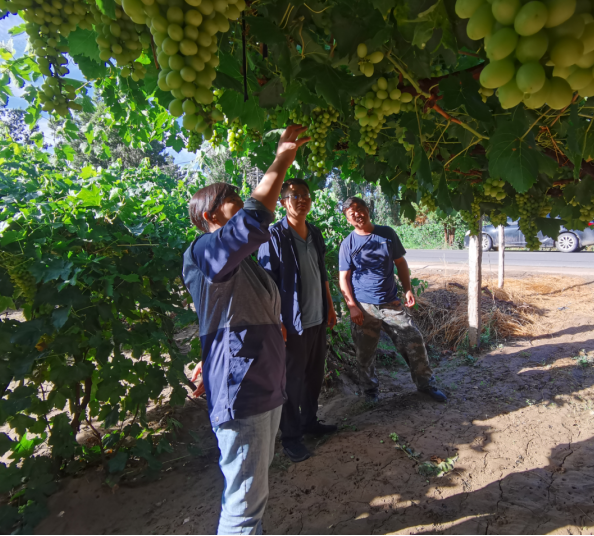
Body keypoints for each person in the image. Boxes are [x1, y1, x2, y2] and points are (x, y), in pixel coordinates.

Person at [182, 125, 310, 535]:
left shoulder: (241, 264)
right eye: (233, 205)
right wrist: (283, 157)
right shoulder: (204, 250)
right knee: (244, 506)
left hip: (262, 387)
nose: (244, 210)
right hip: (245, 394)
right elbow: (255, 221)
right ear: (209, 217)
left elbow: (222, 320)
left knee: (252, 493)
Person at [258, 179, 338, 463]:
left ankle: (310, 422)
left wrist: (330, 306)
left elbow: (322, 273)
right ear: (282, 202)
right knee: (291, 381)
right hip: (292, 323)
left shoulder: (314, 233)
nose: (301, 200)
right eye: (294, 196)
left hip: (317, 318)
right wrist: (276, 320)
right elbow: (266, 283)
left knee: (314, 376)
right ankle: (291, 438)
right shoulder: (274, 236)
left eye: (305, 195)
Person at [338, 196, 447, 405]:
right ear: (348, 219)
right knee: (364, 353)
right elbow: (343, 278)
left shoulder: (387, 234)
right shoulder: (347, 244)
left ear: (367, 209)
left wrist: (407, 289)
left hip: (391, 303)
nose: (358, 215)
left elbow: (400, 262)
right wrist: (352, 307)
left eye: (360, 209)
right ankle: (370, 392)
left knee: (413, 340)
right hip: (364, 307)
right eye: (352, 214)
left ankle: (426, 385)